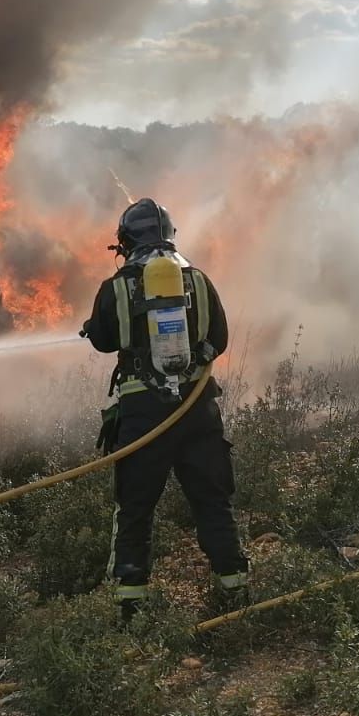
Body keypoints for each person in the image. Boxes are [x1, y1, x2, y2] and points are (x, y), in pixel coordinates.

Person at [80, 198, 247, 621]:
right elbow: (220, 339)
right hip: (198, 411)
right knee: (213, 502)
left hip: (143, 415)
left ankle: (131, 606)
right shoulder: (199, 280)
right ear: (170, 235)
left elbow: (102, 340)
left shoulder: (117, 286)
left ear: (125, 241)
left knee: (135, 508)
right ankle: (235, 591)